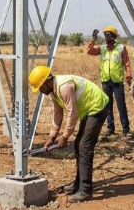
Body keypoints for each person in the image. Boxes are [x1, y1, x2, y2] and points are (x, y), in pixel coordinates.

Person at [31, 66, 110, 203]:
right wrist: (52, 137)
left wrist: (65, 137)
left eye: (40, 87)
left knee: (84, 147)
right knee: (79, 145)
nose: (40, 91)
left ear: (47, 81)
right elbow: (58, 115)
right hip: (87, 110)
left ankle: (85, 190)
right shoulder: (54, 92)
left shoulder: (64, 87)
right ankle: (78, 184)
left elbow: (72, 114)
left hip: (97, 106)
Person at [85, 26, 134, 136]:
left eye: (108, 34)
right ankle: (110, 128)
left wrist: (129, 76)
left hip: (117, 82)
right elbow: (89, 51)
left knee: (121, 106)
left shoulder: (121, 48)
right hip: (106, 81)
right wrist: (93, 39)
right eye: (105, 34)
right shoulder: (102, 48)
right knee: (107, 106)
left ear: (113, 36)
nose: (106, 36)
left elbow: (127, 63)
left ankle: (126, 129)